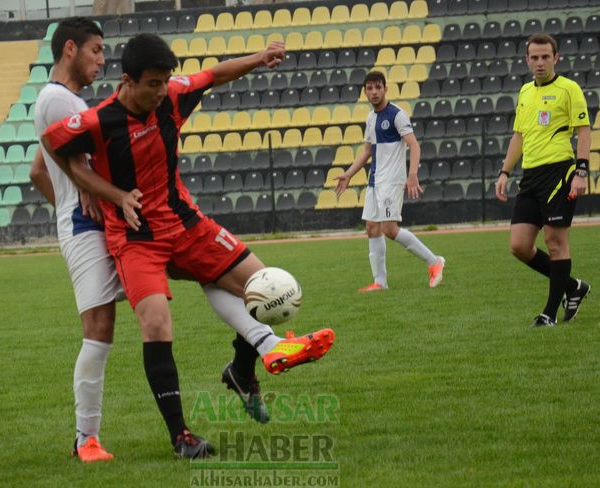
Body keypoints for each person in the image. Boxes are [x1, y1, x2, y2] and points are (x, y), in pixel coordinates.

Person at [41, 33, 335, 458]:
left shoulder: (173, 97)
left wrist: (261, 57)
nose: (162, 91)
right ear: (127, 81)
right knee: (157, 324)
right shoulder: (96, 121)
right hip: (136, 238)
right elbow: (53, 145)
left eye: (166, 81)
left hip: (186, 224)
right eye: (153, 84)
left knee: (263, 283)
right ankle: (182, 437)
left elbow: (214, 74)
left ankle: (244, 366)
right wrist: (112, 195)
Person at [30, 17, 118, 463]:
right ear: (70, 49)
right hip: (88, 228)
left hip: (89, 223)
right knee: (99, 329)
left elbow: (38, 171)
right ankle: (86, 438)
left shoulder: (60, 100)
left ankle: (259, 342)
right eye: (96, 50)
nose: (102, 60)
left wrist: (65, 206)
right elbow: (78, 171)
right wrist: (74, 206)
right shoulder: (59, 100)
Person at [495, 33, 591, 327]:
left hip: (559, 173)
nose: (539, 62)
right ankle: (573, 286)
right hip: (530, 175)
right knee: (519, 246)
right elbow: (519, 136)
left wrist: (581, 172)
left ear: (556, 58)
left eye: (545, 57)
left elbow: (584, 130)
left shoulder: (569, 89)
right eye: (534, 57)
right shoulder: (525, 93)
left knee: (554, 241)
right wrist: (505, 171)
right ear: (526, 60)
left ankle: (549, 313)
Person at [335, 71, 445, 292]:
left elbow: (414, 145)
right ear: (365, 91)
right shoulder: (371, 117)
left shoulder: (397, 115)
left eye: (378, 87)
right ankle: (380, 282)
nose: (374, 92)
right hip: (375, 179)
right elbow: (367, 150)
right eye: (369, 88)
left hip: (392, 180)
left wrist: (412, 174)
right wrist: (349, 174)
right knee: (372, 227)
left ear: (385, 88)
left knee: (390, 229)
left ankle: (434, 261)